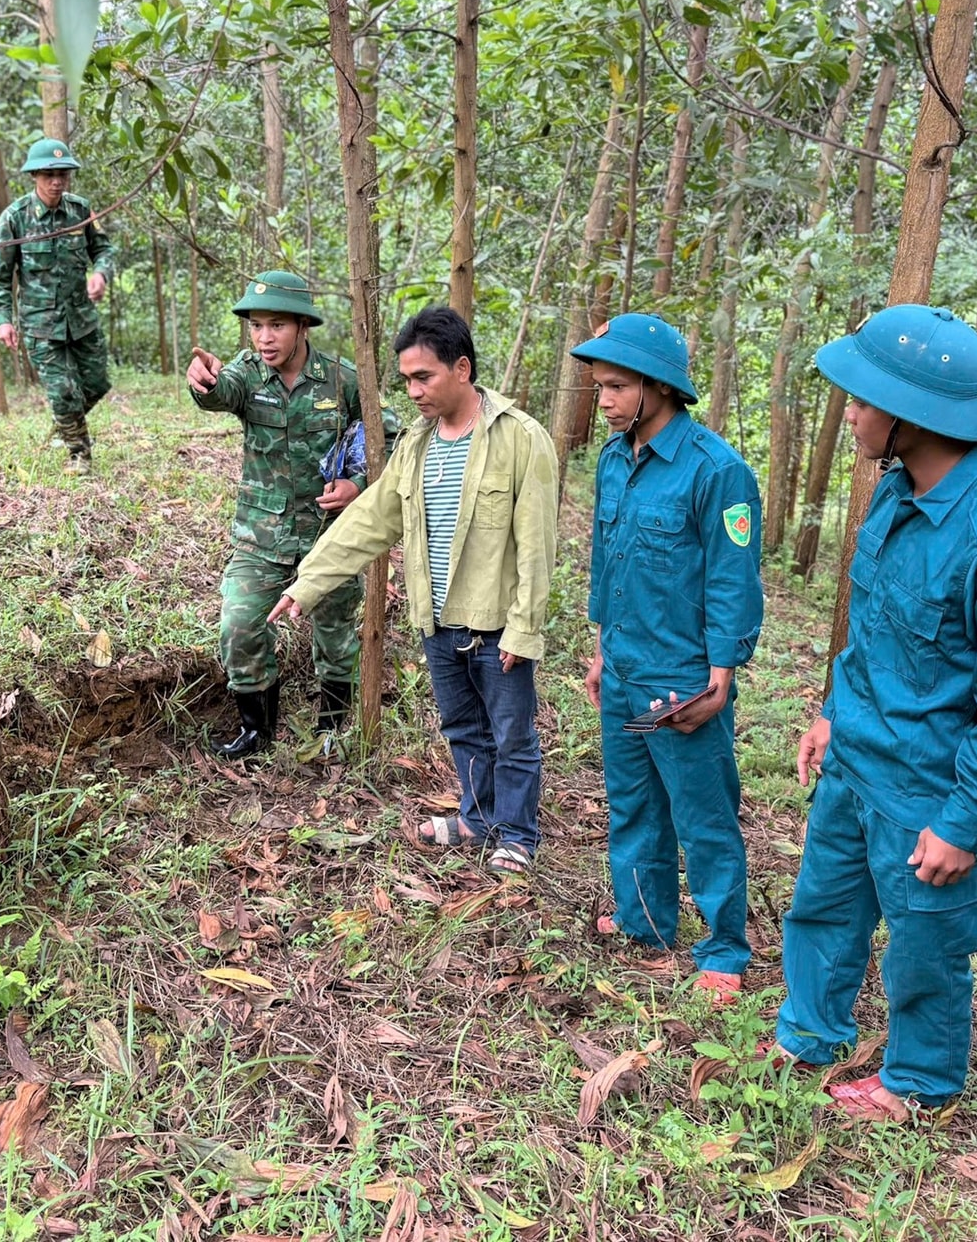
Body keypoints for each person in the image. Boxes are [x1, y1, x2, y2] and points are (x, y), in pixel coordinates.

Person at [776, 304, 977, 1122]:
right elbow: (871, 630)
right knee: (823, 907)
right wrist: (833, 711)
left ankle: (918, 1083)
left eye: (866, 401)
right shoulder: (895, 494)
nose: (854, 414)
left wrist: (965, 821)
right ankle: (808, 1032)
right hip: (856, 761)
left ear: (916, 415)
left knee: (926, 949)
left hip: (929, 793)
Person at [270, 305, 557, 877]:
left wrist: (525, 627)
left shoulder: (521, 438)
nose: (414, 391)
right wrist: (307, 585)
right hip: (439, 617)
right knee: (463, 727)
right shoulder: (418, 446)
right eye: (406, 379)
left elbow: (537, 545)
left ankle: (518, 834)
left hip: (497, 620)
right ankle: (478, 819)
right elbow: (370, 520)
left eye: (423, 377)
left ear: (462, 369)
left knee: (511, 734)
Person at [573, 314, 764, 1005]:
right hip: (626, 673)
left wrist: (722, 674)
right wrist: (600, 650)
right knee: (634, 802)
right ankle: (644, 918)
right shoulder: (614, 461)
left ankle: (723, 948)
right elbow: (606, 560)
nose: (605, 401)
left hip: (681, 685)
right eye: (599, 388)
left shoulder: (717, 472)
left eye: (617, 387)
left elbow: (732, 578)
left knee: (703, 815)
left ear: (658, 386)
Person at [188, 270, 396, 760]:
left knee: (336, 633)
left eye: (276, 324)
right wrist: (205, 384)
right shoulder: (245, 373)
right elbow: (222, 392)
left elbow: (385, 432)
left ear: (303, 326)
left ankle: (331, 727)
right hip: (261, 538)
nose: (264, 337)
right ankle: (256, 729)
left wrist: (357, 485)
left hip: (331, 537)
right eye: (256, 325)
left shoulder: (342, 379)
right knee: (238, 624)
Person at [0, 137, 116, 466]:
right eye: (48, 175)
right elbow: (1, 275)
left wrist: (100, 274)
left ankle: (65, 422)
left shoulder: (80, 210)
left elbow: (102, 249)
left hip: (82, 319)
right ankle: (79, 452)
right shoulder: (15, 218)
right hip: (40, 323)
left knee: (98, 383)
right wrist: (3, 320)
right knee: (63, 391)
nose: (57, 181)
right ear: (34, 177)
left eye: (62, 174)